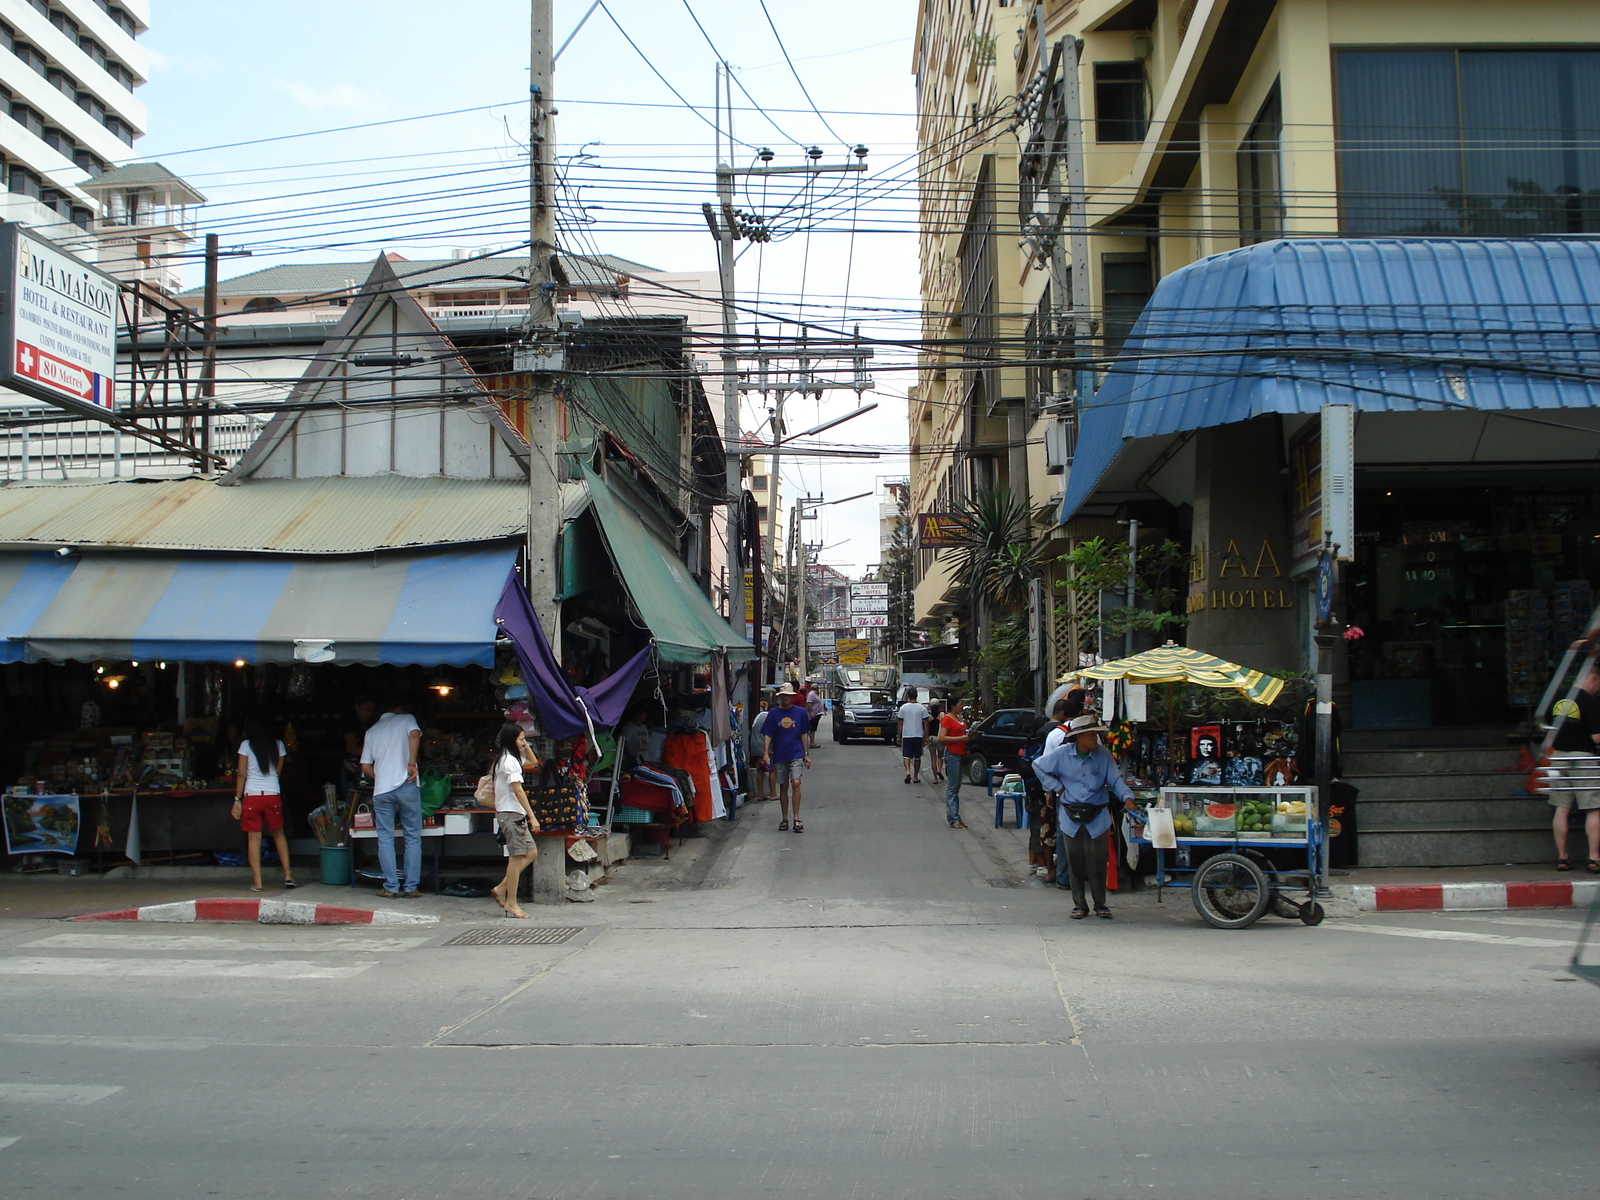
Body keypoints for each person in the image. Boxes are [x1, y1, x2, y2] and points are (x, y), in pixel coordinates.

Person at [1032, 714, 1136, 919]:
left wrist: (1128, 797)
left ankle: (1100, 903)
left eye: (1096, 735)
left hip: (1097, 814)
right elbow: (1038, 765)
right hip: (1071, 814)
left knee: (1098, 861)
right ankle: (1079, 904)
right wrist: (1057, 788)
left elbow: (1115, 780)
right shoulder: (1062, 754)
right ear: (1079, 738)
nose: (1095, 739)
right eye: (1091, 735)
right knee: (1075, 860)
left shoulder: (1103, 755)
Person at [360, 697, 423, 899]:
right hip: (407, 785)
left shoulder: (371, 732)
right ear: (397, 708)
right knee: (412, 836)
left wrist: (382, 777)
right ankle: (411, 887)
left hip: (382, 790)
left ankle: (391, 887)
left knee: (385, 838)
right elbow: (414, 735)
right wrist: (411, 763)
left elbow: (365, 766)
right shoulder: (406, 719)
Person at [1547, 655, 1600, 873]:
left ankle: (1562, 857)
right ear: (1593, 679)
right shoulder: (1591, 702)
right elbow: (1597, 738)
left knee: (1561, 808)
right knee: (1593, 809)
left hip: (1559, 756)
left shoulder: (1556, 698)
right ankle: (1594, 858)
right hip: (1584, 758)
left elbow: (1548, 729)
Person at [232, 719, 296, 893]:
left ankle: (258, 882)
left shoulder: (246, 745)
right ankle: (288, 876)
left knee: (254, 839)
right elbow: (277, 771)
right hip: (272, 794)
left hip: (252, 795)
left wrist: (237, 800)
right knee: (279, 834)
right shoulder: (278, 745)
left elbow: (241, 774)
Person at [488, 722, 542, 918]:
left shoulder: (511, 758)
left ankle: (502, 888)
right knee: (516, 857)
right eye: (520, 739)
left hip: (514, 814)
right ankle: (511, 902)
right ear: (511, 740)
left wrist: (525, 745)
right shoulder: (509, 762)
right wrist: (532, 816)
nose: (523, 742)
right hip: (512, 814)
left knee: (531, 852)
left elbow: (533, 761)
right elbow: (518, 790)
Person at [763, 685, 811, 831]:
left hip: (796, 753)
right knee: (783, 786)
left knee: (796, 783)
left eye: (788, 696)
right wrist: (765, 753)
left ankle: (796, 818)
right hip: (780, 754)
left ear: (792, 697)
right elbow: (768, 734)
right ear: (780, 697)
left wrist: (806, 754)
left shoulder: (800, 712)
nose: (786, 698)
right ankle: (785, 818)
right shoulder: (773, 713)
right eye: (783, 696)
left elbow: (804, 734)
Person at [936, 697, 969, 829]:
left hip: (961, 754)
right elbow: (942, 737)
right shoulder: (948, 719)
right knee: (952, 787)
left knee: (956, 787)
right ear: (953, 706)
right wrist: (960, 738)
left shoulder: (959, 718)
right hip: (952, 754)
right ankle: (953, 817)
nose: (961, 707)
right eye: (960, 704)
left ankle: (956, 815)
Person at [896, 687, 930, 785]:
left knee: (906, 756)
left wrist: (898, 735)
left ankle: (907, 771)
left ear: (907, 696)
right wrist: (926, 736)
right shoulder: (922, 708)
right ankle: (915, 776)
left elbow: (900, 723)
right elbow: (926, 723)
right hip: (918, 735)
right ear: (917, 695)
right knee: (917, 757)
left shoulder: (903, 708)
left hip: (907, 735)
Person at [750, 692, 775, 801]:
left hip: (754, 747)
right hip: (764, 748)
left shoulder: (759, 716)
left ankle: (760, 794)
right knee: (772, 770)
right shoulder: (770, 718)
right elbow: (770, 734)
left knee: (760, 770)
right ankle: (773, 793)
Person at [615, 704, 651, 771]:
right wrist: (630, 757)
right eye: (644, 713)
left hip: (644, 760)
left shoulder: (644, 727)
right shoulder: (629, 727)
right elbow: (622, 742)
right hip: (633, 761)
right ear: (638, 714)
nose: (645, 715)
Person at [926, 700, 945, 783]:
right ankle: (939, 769)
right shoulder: (942, 715)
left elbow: (926, 727)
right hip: (940, 737)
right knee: (940, 757)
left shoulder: (928, 716)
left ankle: (935, 778)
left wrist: (925, 738)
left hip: (931, 738)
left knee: (933, 758)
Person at [804, 684, 827, 749]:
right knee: (812, 728)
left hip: (816, 713)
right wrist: (812, 712)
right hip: (813, 714)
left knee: (813, 728)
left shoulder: (814, 694)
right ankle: (811, 743)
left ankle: (812, 742)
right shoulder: (812, 694)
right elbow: (808, 703)